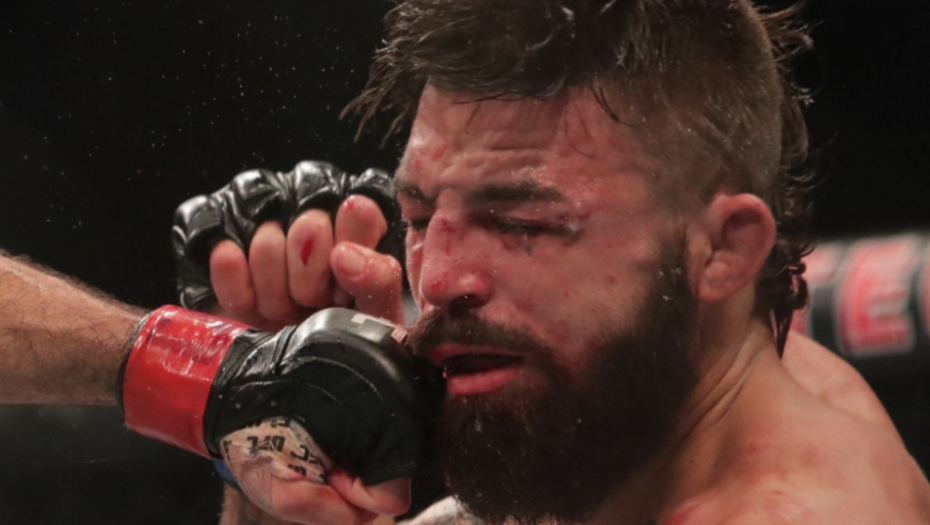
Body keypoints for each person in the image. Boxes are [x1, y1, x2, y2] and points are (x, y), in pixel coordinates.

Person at [198, 0, 930, 524]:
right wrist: (291, 436)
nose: (440, 278)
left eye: (521, 223)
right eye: (418, 218)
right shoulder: (669, 403)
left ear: (724, 249)